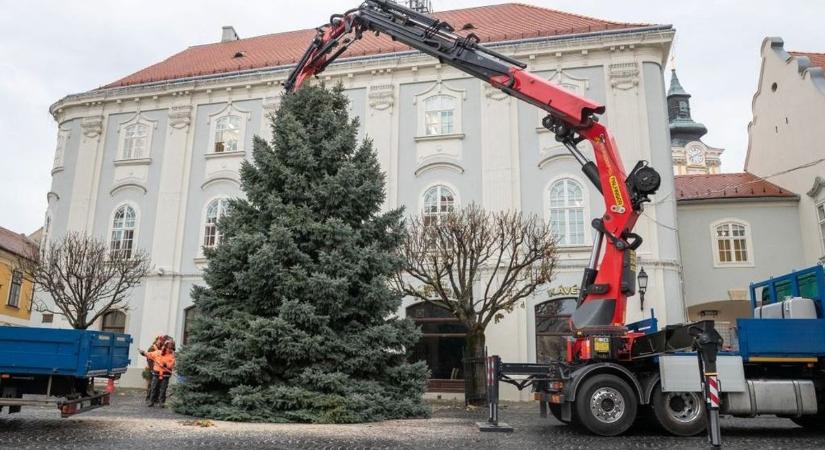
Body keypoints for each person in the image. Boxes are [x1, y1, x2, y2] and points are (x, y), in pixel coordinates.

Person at [140, 339, 176, 407]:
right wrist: (143, 353)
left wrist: (165, 364)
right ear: (165, 347)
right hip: (156, 374)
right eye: (168, 348)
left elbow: (171, 365)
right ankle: (151, 401)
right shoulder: (158, 353)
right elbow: (149, 354)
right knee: (153, 388)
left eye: (171, 348)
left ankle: (161, 402)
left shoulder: (172, 356)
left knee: (163, 389)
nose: (169, 349)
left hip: (165, 375)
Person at [143, 335, 166, 401]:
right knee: (152, 384)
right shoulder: (152, 348)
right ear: (157, 340)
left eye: (162, 341)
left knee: (158, 384)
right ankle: (149, 398)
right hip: (153, 369)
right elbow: (149, 359)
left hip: (159, 369)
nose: (161, 342)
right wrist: (152, 369)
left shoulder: (162, 348)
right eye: (160, 340)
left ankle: (156, 398)